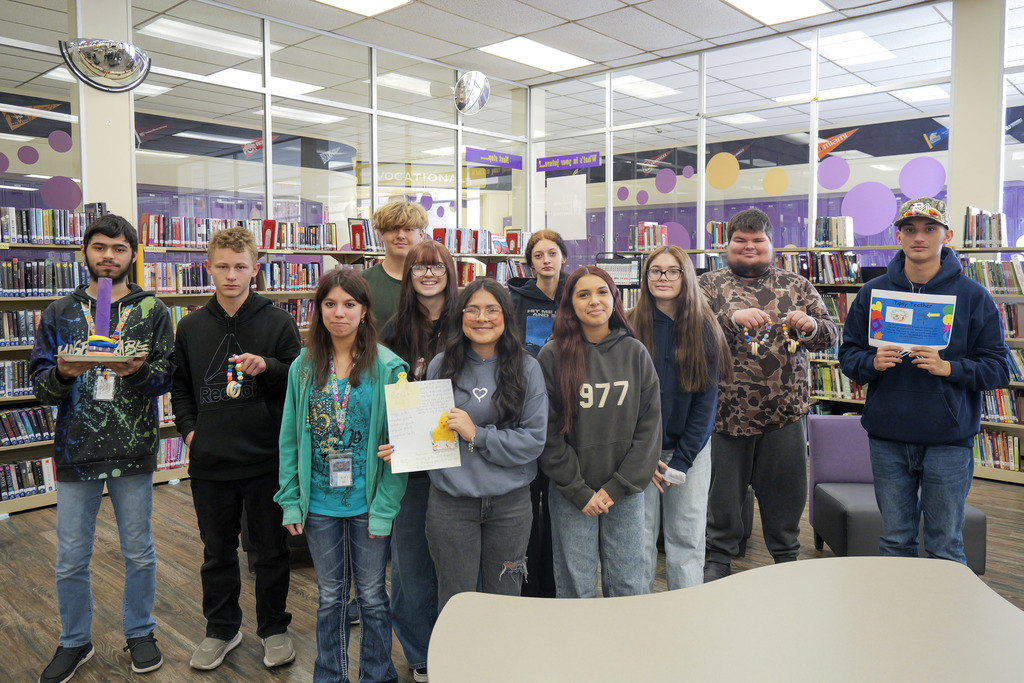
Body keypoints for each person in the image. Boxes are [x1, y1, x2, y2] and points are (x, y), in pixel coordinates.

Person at [31, 214, 174, 682]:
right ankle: (75, 640)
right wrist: (64, 374)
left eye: (118, 248)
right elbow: (41, 389)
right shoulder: (59, 312)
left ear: (133, 254)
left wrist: (135, 372)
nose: (108, 257)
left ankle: (140, 631)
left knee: (140, 551)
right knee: (71, 555)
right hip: (76, 453)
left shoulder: (153, 310)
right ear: (84, 252)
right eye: (99, 247)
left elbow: (165, 380)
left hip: (132, 452)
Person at [838, 197, 1009, 563]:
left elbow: (997, 369)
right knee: (895, 541)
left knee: (945, 544)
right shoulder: (873, 293)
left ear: (946, 235)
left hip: (948, 440)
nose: (919, 237)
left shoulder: (973, 296)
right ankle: (899, 618)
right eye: (910, 229)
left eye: (930, 229)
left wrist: (950, 368)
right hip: (888, 437)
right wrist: (871, 362)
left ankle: (944, 620)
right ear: (897, 236)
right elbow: (848, 358)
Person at [171, 226, 301, 670]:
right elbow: (181, 389)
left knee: (269, 550)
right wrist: (191, 432)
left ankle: (274, 628)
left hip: (265, 460)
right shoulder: (189, 326)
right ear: (208, 268)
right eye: (222, 267)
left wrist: (268, 367)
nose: (231, 275)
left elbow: (297, 383)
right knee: (217, 552)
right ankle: (222, 629)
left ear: (255, 270)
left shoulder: (278, 321)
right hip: (210, 463)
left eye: (240, 267)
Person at [275, 268, 408, 683]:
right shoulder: (303, 366)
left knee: (371, 597)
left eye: (349, 304)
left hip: (369, 504)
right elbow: (290, 439)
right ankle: (329, 675)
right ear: (318, 311)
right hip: (319, 504)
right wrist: (291, 500)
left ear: (365, 310)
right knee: (330, 598)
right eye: (330, 304)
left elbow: (400, 448)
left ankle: (378, 675)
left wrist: (386, 509)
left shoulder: (390, 368)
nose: (339, 313)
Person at [389, 278, 546, 612]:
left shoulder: (528, 368)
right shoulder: (440, 365)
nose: (482, 317)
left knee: (505, 599)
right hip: (451, 504)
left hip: (510, 505)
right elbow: (428, 431)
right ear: (460, 317)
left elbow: (533, 442)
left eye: (492, 309)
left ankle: (500, 665)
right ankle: (459, 665)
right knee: (457, 600)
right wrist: (401, 447)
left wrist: (478, 434)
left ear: (506, 316)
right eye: (472, 310)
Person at [698, 208, 838, 582]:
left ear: (770, 244)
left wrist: (811, 327)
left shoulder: (797, 285)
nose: (749, 246)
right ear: (726, 245)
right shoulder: (708, 285)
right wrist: (730, 319)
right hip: (724, 417)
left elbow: (830, 335)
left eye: (757, 240)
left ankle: (786, 563)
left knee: (786, 498)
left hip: (785, 416)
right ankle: (719, 561)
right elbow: (689, 331)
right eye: (740, 240)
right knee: (722, 500)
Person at [538, 266, 662, 598]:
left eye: (602, 292)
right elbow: (548, 433)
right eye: (583, 294)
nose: (594, 300)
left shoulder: (635, 352)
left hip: (624, 491)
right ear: (570, 304)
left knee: (628, 582)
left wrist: (620, 486)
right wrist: (578, 490)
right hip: (571, 493)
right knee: (576, 584)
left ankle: (625, 649)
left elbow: (649, 427)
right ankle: (580, 650)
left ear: (614, 299)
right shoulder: (551, 356)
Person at [628, 246, 731, 590]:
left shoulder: (704, 328)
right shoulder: (628, 325)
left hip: (690, 453)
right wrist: (645, 453)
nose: (663, 278)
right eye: (656, 271)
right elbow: (623, 400)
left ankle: (686, 615)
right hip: (639, 452)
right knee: (637, 540)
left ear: (686, 277)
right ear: (645, 278)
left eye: (673, 271)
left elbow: (706, 403)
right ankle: (637, 611)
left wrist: (682, 462)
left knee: (686, 538)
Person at [379, 240, 458, 683]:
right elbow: (381, 394)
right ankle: (421, 652)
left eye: (436, 267)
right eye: (419, 269)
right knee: (409, 562)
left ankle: (460, 642)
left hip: (461, 461)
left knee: (456, 560)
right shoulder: (392, 330)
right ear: (408, 276)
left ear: (449, 270)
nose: (428, 275)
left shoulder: (469, 321)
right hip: (409, 462)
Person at [507, 229, 568, 598]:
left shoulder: (578, 294)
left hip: (565, 408)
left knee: (559, 505)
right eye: (538, 255)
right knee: (529, 504)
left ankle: (557, 584)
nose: (546, 260)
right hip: (524, 407)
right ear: (530, 263)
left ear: (563, 257)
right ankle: (528, 586)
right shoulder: (515, 298)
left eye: (552, 253)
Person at [362, 200, 428, 327]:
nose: (400, 235)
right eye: (393, 229)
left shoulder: (434, 282)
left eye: (408, 229)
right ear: (381, 234)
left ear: (421, 235)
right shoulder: (362, 281)